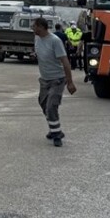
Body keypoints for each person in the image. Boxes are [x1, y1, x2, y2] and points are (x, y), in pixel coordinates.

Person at [32, 16, 76, 147]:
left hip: (57, 79)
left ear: (41, 26)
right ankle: (53, 128)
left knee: (51, 106)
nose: (32, 28)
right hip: (44, 80)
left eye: (34, 26)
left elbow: (65, 62)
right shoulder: (37, 39)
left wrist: (70, 82)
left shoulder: (55, 41)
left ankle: (57, 135)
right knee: (43, 104)